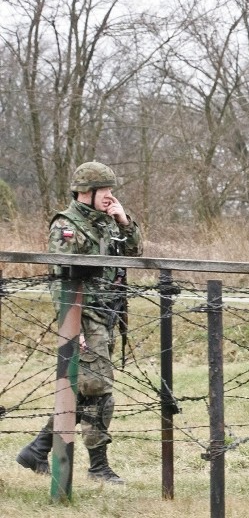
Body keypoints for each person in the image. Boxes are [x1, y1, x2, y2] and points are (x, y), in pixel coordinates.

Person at [16, 162, 142, 483]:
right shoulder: (66, 225)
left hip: (107, 314)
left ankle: (37, 449)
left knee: (83, 388)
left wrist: (124, 221)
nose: (110, 196)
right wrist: (73, 328)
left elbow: (134, 253)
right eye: (105, 190)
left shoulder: (109, 222)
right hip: (83, 316)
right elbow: (59, 280)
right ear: (86, 192)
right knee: (100, 391)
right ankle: (98, 467)